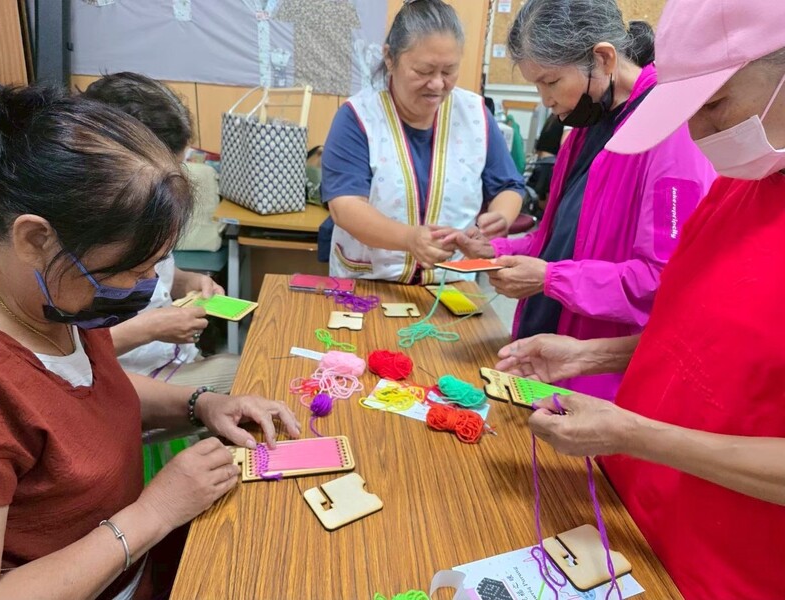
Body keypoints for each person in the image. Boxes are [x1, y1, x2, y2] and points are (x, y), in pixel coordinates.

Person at [501, 0, 785, 597]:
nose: (698, 132)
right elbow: (691, 334)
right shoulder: (739, 188)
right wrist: (589, 357)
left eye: (713, 105)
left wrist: (634, 434)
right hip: (631, 523)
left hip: (724, 570)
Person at [0, 78, 300, 600]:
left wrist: (202, 404)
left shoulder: (53, 303)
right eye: (129, 268)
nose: (145, 286)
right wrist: (154, 512)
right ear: (36, 239)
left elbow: (96, 394)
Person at [452, 0, 715, 399]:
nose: (545, 100)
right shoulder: (586, 125)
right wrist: (496, 250)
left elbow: (660, 281)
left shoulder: (670, 134)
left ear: (603, 57)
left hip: (601, 376)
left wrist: (549, 279)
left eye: (551, 82)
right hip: (548, 354)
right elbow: (563, 240)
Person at [321, 0, 524, 284]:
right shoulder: (358, 117)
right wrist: (409, 238)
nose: (438, 84)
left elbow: (508, 185)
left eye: (449, 71)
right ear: (390, 58)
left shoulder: (475, 114)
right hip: (370, 281)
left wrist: (500, 216)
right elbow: (345, 205)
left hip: (449, 284)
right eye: (424, 71)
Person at [82, 72, 239, 393]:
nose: (175, 182)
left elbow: (159, 273)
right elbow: (63, 359)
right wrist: (150, 328)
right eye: (167, 171)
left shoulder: (147, 207)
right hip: (117, 377)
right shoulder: (83, 230)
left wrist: (187, 281)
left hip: (167, 358)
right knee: (245, 376)